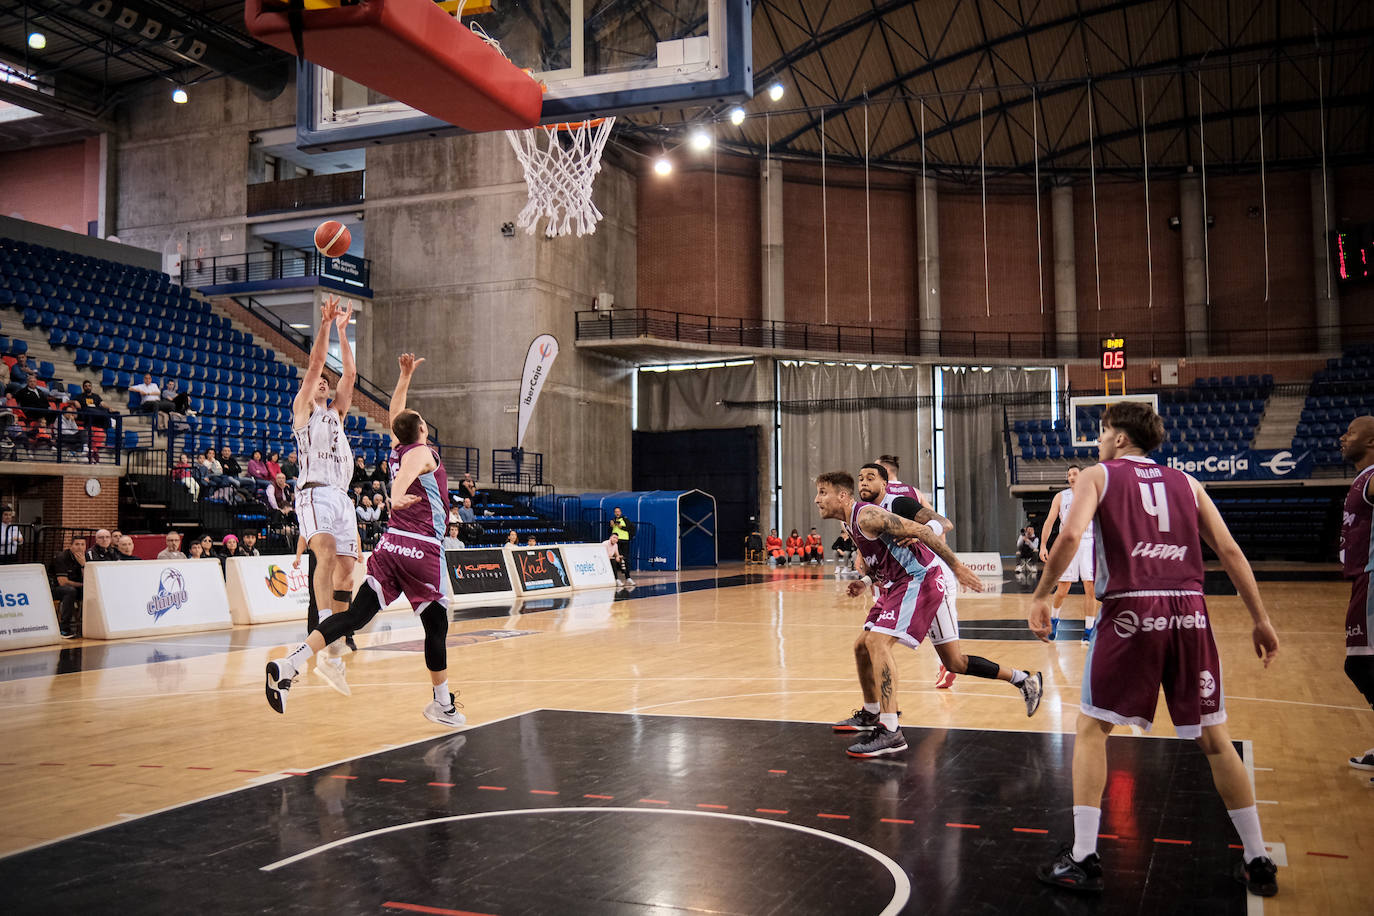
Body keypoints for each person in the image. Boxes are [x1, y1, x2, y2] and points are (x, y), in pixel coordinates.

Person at [1027, 401, 1280, 897]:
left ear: (1120, 438)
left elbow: (1072, 534)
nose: (1098, 441)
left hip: (1130, 611)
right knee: (1214, 737)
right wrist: (1261, 618)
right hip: (1189, 612)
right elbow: (1229, 551)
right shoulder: (1188, 483)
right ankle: (1257, 857)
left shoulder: (1099, 475)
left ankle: (1082, 856)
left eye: (1102, 433)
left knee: (1092, 727)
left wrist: (1040, 595)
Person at [266, 352, 464, 728]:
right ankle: (442, 703)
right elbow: (405, 473)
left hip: (389, 549)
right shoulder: (420, 452)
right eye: (421, 421)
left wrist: (404, 377)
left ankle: (288, 663)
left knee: (355, 617)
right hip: (420, 550)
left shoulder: (399, 446)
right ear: (422, 430)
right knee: (436, 625)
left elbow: (397, 415)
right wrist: (396, 493)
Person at [814, 471, 984, 758]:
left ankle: (891, 731)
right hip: (895, 584)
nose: (817, 499)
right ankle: (870, 714)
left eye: (822, 492)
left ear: (842, 495)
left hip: (918, 579)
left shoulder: (867, 515)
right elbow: (884, 559)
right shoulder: (850, 523)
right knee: (861, 646)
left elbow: (925, 530)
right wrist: (866, 582)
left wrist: (956, 566)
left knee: (879, 643)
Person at [851, 462, 1042, 706]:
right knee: (871, 644)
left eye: (870, 477)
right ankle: (876, 713)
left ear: (885, 484)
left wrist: (920, 531)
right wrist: (866, 580)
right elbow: (884, 561)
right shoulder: (864, 516)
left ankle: (1023, 679)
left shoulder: (897, 504)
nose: (864, 482)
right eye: (860, 478)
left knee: (953, 662)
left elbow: (944, 522)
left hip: (928, 581)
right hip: (903, 586)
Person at [290, 295, 360, 643]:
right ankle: (322, 628)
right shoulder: (304, 408)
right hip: (314, 491)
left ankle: (341, 630)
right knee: (326, 554)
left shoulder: (337, 414)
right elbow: (317, 361)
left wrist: (345, 333)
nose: (322, 381)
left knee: (347, 573)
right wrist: (326, 324)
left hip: (341, 496)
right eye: (318, 381)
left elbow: (350, 374)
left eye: (324, 382)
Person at [1337, 415, 1374, 784]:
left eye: (1351, 433)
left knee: (1363, 666)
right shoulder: (1363, 479)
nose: (1343, 437)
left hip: (1372, 579)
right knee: (1365, 665)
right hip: (1362, 579)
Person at [1039, 465, 1098, 642]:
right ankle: (1054, 620)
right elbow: (1049, 522)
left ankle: (1089, 630)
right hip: (1068, 543)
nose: (1072, 477)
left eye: (1075, 474)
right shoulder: (1060, 497)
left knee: (1090, 588)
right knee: (1063, 588)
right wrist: (1043, 545)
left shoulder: (1092, 493)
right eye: (1069, 474)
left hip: (1088, 541)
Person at [50, 536, 86, 638]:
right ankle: (64, 628)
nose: (80, 547)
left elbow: (89, 579)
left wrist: (83, 565)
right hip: (55, 589)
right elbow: (63, 582)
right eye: (77, 544)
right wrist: (83, 585)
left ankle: (88, 626)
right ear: (70, 546)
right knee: (70, 591)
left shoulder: (85, 557)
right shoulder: (61, 557)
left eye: (82, 544)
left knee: (92, 591)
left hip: (77, 587)